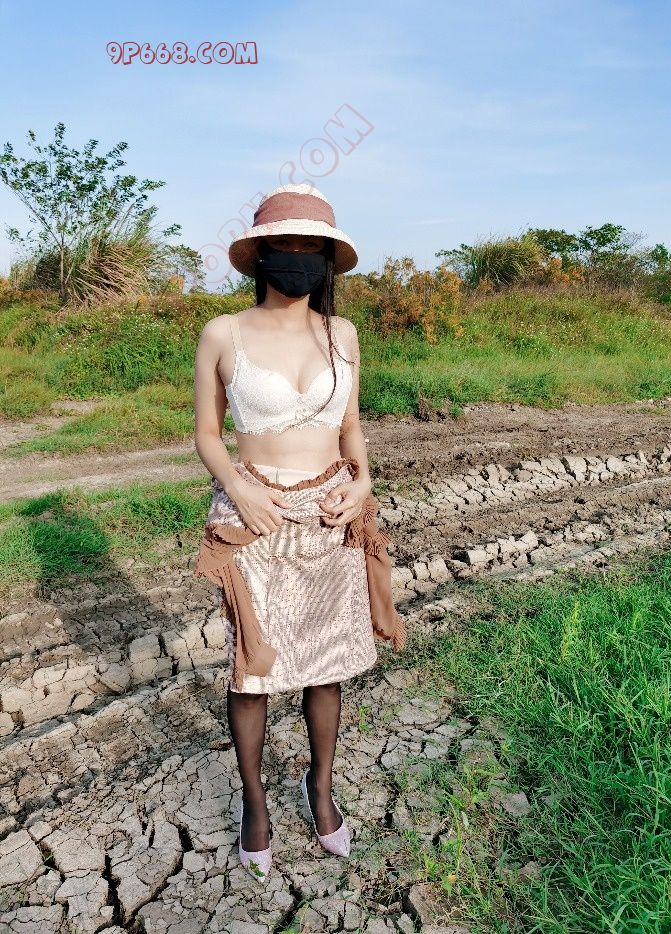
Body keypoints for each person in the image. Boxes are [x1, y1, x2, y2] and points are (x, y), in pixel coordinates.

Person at [193, 183, 405, 882]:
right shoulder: (222, 333)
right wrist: (240, 490)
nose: (297, 256)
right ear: (259, 254)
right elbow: (207, 435)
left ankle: (320, 787)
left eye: (310, 246)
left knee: (326, 662)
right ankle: (255, 801)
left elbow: (351, 426)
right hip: (255, 518)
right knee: (252, 667)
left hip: (329, 516)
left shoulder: (342, 334)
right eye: (284, 244)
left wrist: (363, 482)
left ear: (326, 259)